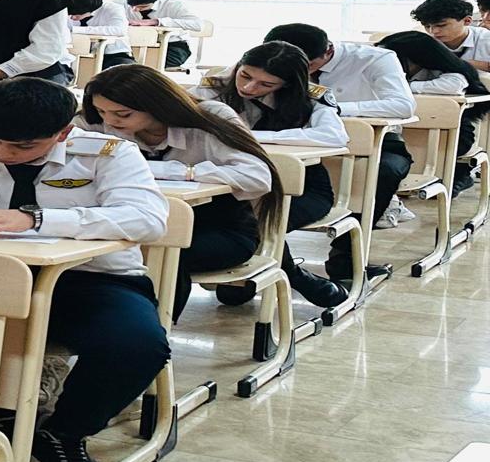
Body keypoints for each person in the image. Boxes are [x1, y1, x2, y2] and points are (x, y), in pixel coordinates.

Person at [0, 78, 168, 462]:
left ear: (64, 133)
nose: (2, 153)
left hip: (89, 280)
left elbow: (147, 219)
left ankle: (63, 433)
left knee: (136, 344)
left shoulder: (108, 154)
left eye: (23, 147)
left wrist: (37, 219)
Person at [79, 64, 272, 319]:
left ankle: (155, 330)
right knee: (98, 257)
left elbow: (258, 176)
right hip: (135, 225)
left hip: (217, 228)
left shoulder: (209, 117)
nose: (110, 121)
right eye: (102, 111)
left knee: (165, 255)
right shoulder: (95, 123)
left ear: (156, 105)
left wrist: (179, 171)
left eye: (122, 114)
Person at [190, 42, 351, 307]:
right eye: (245, 75)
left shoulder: (310, 97)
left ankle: (279, 275)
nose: (249, 87)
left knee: (253, 217)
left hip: (300, 188)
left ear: (288, 84)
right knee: (224, 215)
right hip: (231, 187)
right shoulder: (215, 87)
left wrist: (247, 136)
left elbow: (334, 136)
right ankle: (290, 275)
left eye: (266, 85)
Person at [264, 23, 413, 285]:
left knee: (385, 171)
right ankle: (263, 260)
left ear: (328, 51)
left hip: (375, 140)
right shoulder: (272, 59)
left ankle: (345, 260)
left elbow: (402, 105)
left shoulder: (375, 59)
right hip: (297, 142)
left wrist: (330, 107)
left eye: (308, 66)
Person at [377, 30, 490, 193]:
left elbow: (454, 85)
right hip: (407, 133)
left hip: (453, 134)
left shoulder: (444, 72)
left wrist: (404, 87)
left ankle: (458, 175)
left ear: (418, 59)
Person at [124, 0, 202, 68]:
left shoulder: (173, 5)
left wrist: (157, 21)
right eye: (131, 6)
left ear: (156, 1)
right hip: (136, 46)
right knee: (122, 62)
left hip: (172, 46)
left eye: (142, 6)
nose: (135, 10)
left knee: (145, 64)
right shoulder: (123, 4)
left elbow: (197, 24)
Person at [409, 0, 490, 71]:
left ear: (466, 21)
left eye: (441, 25)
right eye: (427, 26)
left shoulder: (486, 39)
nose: (433, 31)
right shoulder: (422, 44)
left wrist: (462, 64)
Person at [65, 0, 135, 69]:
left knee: (123, 71)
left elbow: (119, 30)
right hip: (76, 54)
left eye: (77, 14)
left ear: (91, 9)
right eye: (70, 14)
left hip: (113, 54)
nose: (72, 17)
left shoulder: (113, 8)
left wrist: (76, 29)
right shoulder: (64, 11)